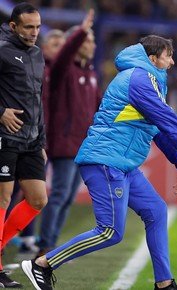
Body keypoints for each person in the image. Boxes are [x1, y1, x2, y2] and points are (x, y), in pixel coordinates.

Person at [21, 35, 177, 290]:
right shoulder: (138, 79)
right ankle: (42, 264)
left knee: (156, 212)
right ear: (153, 59)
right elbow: (168, 121)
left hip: (123, 164)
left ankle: (164, 284)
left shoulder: (149, 81)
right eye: (168, 56)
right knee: (110, 232)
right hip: (106, 162)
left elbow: (157, 128)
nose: (173, 62)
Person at [36, 9, 102, 257]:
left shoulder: (91, 74)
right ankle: (45, 245)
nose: (91, 45)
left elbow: (99, 108)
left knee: (66, 199)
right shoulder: (64, 70)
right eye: (87, 40)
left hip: (84, 147)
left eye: (93, 40)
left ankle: (49, 244)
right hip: (64, 143)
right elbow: (63, 56)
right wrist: (81, 30)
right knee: (59, 195)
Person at [0, 2, 47, 288]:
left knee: (38, 199)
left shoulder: (38, 54)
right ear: (14, 26)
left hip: (31, 140)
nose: (34, 32)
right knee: (3, 200)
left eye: (38, 27)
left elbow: (36, 100)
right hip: (5, 136)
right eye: (28, 27)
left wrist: (40, 139)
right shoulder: (2, 50)